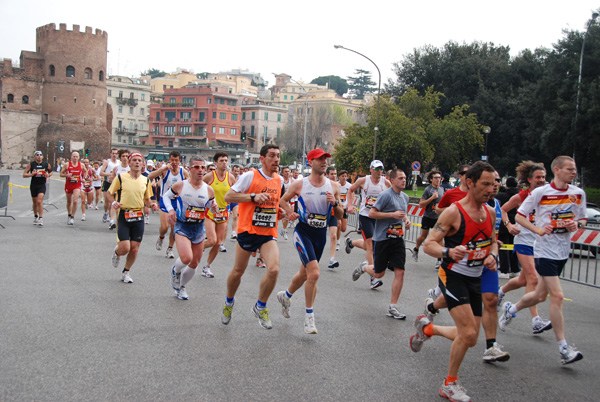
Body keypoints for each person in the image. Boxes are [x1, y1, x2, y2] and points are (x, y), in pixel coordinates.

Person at [411, 161, 499, 402]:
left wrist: (492, 255)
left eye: (493, 184)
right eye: (486, 184)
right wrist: (448, 252)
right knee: (469, 332)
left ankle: (427, 328)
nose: (491, 189)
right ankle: (449, 383)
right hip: (453, 276)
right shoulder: (454, 212)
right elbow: (429, 244)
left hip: (476, 278)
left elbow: (493, 240)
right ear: (470, 183)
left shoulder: (490, 212)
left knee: (470, 336)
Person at [499, 156, 587, 365]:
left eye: (575, 169)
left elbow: (582, 218)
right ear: (557, 170)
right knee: (556, 295)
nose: (573, 172)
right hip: (543, 250)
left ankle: (511, 309)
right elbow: (519, 216)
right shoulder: (539, 193)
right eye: (569, 169)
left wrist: (577, 224)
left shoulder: (578, 193)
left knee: (539, 295)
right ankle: (564, 348)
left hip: (562, 251)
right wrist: (539, 230)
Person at [276, 149, 343, 334]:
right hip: (303, 232)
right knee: (314, 274)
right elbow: (282, 200)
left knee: (305, 274)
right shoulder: (300, 184)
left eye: (326, 159)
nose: (324, 162)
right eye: (320, 159)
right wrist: (290, 213)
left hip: (320, 235)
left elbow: (340, 215)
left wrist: (335, 204)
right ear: (309, 163)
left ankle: (286, 296)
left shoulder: (334, 186)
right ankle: (309, 317)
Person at [221, 145, 283, 329]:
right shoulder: (250, 176)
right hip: (248, 230)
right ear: (262, 159)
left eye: (278, 156)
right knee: (238, 272)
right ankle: (229, 302)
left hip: (268, 233)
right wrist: (253, 196)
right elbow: (229, 196)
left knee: (273, 270)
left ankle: (260, 306)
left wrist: (281, 212)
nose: (276, 160)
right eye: (272, 156)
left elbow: (274, 204)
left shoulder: (279, 180)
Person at [497, 162, 552, 334]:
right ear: (529, 180)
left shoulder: (548, 195)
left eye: (543, 177)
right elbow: (503, 210)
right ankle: (535, 320)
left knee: (522, 280)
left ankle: (500, 292)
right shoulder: (522, 196)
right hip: (524, 242)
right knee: (533, 279)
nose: (542, 180)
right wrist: (508, 225)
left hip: (540, 243)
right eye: (538, 177)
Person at [351, 169, 411, 319]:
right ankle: (364, 267)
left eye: (405, 178)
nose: (404, 180)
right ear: (392, 180)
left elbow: (403, 214)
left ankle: (393, 307)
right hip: (383, 238)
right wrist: (391, 215)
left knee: (400, 271)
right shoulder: (385, 195)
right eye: (401, 178)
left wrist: (406, 220)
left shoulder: (405, 197)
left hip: (397, 238)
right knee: (379, 273)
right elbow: (372, 213)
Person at [163, 157, 218, 300]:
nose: (200, 170)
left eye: (202, 167)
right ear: (190, 169)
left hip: (198, 227)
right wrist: (170, 210)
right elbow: (166, 197)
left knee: (195, 262)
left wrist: (214, 207)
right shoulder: (181, 185)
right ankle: (176, 270)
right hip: (182, 225)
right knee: (187, 258)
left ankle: (181, 287)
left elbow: (212, 204)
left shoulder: (209, 189)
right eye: (196, 167)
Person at [107, 153, 158, 283]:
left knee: (135, 248)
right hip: (124, 214)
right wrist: (113, 203)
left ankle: (126, 272)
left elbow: (147, 199)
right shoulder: (121, 177)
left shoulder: (145, 180)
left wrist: (152, 204)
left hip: (138, 216)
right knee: (125, 247)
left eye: (139, 161)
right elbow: (109, 193)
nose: (137, 163)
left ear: (142, 164)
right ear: (129, 163)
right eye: (134, 160)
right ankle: (117, 253)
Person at [345, 160, 391, 289]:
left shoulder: (385, 183)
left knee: (368, 245)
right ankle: (373, 277)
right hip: (366, 216)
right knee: (370, 244)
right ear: (371, 169)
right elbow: (351, 190)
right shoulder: (363, 180)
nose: (379, 171)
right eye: (376, 169)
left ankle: (351, 243)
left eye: (381, 169)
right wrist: (349, 205)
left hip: (378, 217)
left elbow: (391, 195)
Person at [201, 152, 236, 278]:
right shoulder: (209, 177)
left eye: (226, 160)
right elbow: (199, 188)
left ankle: (206, 267)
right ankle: (196, 250)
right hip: (210, 213)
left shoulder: (230, 177)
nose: (224, 163)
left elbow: (235, 192)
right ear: (215, 163)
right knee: (211, 240)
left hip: (223, 213)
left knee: (218, 243)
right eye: (221, 160)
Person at [149, 151, 189, 259]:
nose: (174, 162)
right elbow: (150, 176)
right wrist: (162, 169)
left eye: (176, 160)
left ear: (179, 160)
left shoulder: (183, 172)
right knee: (165, 227)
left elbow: (189, 184)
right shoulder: (165, 171)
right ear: (169, 160)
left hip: (177, 202)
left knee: (174, 227)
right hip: (164, 200)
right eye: (172, 160)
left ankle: (170, 248)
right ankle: (161, 237)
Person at [413, 171, 444, 266]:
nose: (438, 179)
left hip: (438, 218)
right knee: (423, 236)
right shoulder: (428, 190)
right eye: (435, 177)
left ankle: (439, 260)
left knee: (440, 239)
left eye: (439, 177)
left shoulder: (442, 189)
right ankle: (416, 248)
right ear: (431, 179)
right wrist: (432, 198)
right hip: (428, 216)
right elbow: (421, 204)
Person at [495, 176, 520, 278]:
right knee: (514, 247)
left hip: (504, 224)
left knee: (503, 248)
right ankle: (515, 269)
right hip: (517, 223)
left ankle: (505, 270)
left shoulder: (501, 196)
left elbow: (499, 209)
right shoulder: (520, 195)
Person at [23, 150, 52, 226]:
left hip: (42, 185)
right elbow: (24, 174)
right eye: (37, 155)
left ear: (42, 156)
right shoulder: (31, 164)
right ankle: (36, 216)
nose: (39, 156)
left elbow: (51, 172)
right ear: (35, 156)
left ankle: (41, 218)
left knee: (39, 201)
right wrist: (31, 174)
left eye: (40, 155)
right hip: (33, 185)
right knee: (35, 202)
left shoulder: (46, 164)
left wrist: (48, 175)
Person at [60, 151, 85, 225]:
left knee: (75, 200)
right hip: (69, 184)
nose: (75, 158)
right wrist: (67, 175)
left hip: (77, 185)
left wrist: (84, 178)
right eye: (74, 156)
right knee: (69, 201)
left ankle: (72, 217)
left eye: (77, 156)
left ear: (79, 157)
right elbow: (61, 174)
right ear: (71, 157)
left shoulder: (81, 165)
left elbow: (86, 171)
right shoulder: (67, 164)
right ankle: (69, 214)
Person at [325, 166, 341, 269]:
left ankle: (332, 259)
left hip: (333, 214)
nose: (334, 176)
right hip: (322, 215)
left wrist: (339, 213)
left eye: (335, 174)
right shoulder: (322, 184)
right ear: (326, 175)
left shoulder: (336, 186)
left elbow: (338, 202)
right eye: (332, 174)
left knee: (334, 236)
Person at [100, 149, 119, 224]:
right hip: (107, 183)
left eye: (116, 154)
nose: (114, 155)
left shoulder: (119, 163)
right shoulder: (107, 162)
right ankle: (105, 213)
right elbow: (101, 172)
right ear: (110, 154)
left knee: (113, 202)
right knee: (107, 203)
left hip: (115, 184)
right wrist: (108, 174)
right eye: (113, 153)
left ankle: (111, 219)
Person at [336, 170, 351, 252]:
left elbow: (351, 196)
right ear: (339, 177)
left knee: (343, 229)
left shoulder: (349, 186)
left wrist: (350, 205)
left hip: (345, 208)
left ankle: (345, 239)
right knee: (338, 224)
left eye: (345, 176)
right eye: (342, 176)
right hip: (338, 208)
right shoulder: (336, 185)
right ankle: (337, 242)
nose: (344, 178)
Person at [278, 166, 294, 240]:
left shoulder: (291, 180)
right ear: (282, 173)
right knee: (277, 216)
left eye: (288, 171)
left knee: (288, 215)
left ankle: (284, 230)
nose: (287, 173)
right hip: (278, 199)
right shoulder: (280, 180)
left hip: (286, 200)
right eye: (286, 171)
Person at [229, 164, 241, 239]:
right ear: (232, 170)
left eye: (238, 171)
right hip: (228, 200)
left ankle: (233, 232)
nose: (236, 173)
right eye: (235, 171)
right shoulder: (228, 177)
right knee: (225, 220)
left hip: (235, 200)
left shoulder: (240, 179)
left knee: (235, 216)